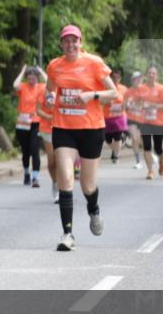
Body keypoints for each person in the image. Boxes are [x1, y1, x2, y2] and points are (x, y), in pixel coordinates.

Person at [46, 25, 116, 251]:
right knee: (66, 177)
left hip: (91, 129)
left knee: (87, 185)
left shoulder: (94, 63)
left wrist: (91, 95)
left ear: (80, 42)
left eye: (74, 41)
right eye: (66, 41)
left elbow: (113, 93)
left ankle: (93, 210)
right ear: (61, 44)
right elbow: (50, 90)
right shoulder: (54, 66)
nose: (70, 45)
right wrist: (49, 98)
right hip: (63, 127)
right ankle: (68, 234)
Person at [12, 64, 46, 187]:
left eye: (34, 78)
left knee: (34, 150)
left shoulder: (41, 87)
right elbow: (15, 85)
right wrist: (22, 72)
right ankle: (26, 173)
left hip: (36, 123)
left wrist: (41, 71)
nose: (31, 80)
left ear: (37, 78)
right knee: (25, 151)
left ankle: (35, 177)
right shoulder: (23, 87)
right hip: (22, 124)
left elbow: (50, 84)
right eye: (29, 78)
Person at [138, 66, 163, 180]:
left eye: (153, 73)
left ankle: (161, 162)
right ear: (146, 75)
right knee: (147, 146)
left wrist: (152, 105)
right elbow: (137, 103)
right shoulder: (141, 88)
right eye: (149, 73)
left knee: (158, 148)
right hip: (145, 122)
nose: (151, 75)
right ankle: (150, 171)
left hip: (158, 122)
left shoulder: (161, 89)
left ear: (157, 76)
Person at [35, 88, 58, 202]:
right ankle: (55, 182)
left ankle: (63, 189)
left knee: (62, 161)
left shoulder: (66, 88)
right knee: (52, 161)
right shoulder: (44, 91)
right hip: (47, 129)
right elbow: (38, 110)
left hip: (63, 127)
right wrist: (50, 117)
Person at [102, 68, 128, 163]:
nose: (116, 79)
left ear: (120, 78)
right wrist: (107, 101)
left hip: (120, 116)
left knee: (118, 136)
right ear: (110, 78)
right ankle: (116, 150)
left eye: (118, 77)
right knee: (107, 138)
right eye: (113, 77)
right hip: (107, 117)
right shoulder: (105, 88)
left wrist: (124, 105)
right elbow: (99, 101)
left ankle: (116, 154)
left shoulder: (124, 88)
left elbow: (128, 100)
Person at [124, 71, 145, 169]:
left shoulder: (145, 90)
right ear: (132, 80)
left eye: (140, 78)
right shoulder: (128, 92)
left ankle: (149, 155)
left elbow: (147, 104)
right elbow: (124, 106)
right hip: (132, 118)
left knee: (142, 140)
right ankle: (138, 161)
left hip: (143, 118)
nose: (138, 80)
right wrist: (127, 104)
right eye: (136, 78)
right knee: (134, 137)